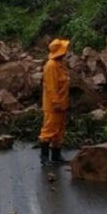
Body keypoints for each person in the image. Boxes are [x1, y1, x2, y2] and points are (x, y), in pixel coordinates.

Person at [39, 38, 70, 166]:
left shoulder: (60, 64)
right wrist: (56, 102)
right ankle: (44, 157)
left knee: (59, 130)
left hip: (62, 103)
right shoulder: (51, 66)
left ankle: (56, 156)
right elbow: (51, 87)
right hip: (53, 106)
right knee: (49, 129)